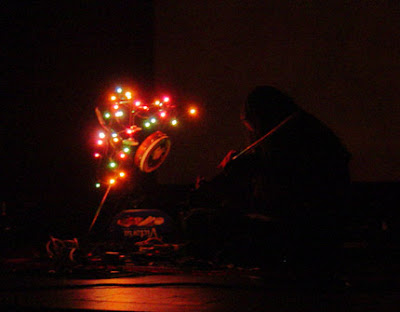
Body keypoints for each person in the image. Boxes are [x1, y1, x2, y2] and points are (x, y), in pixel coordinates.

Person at [186, 86, 351, 280]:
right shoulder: (305, 131)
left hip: (301, 232)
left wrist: (226, 182)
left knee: (200, 221)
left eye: (251, 124)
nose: (252, 132)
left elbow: (274, 204)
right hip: (317, 230)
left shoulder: (288, 143)